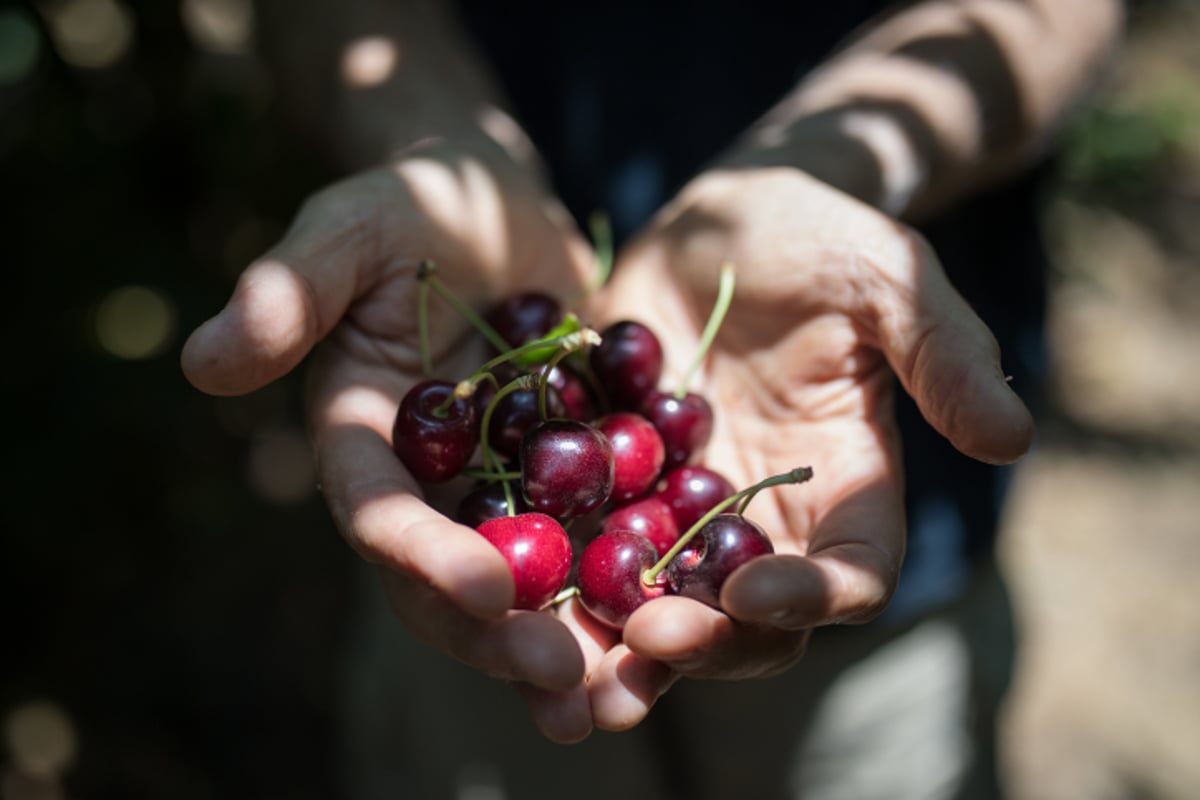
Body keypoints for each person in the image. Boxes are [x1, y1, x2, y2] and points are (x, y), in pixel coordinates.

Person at [182, 1, 1124, 797]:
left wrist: (834, 162)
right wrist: (430, 142)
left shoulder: (617, 465)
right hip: (479, 621)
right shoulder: (524, 453)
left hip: (874, 547)